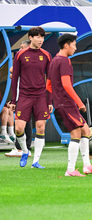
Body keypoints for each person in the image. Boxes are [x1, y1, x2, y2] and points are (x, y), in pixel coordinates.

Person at [47, 33, 92, 176]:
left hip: (62, 103)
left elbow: (49, 85)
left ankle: (87, 165)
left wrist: (54, 99)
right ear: (66, 45)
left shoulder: (53, 61)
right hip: (67, 103)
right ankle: (70, 170)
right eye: (74, 45)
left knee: (85, 130)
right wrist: (79, 102)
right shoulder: (64, 61)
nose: (75, 48)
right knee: (76, 133)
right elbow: (66, 85)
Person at [10, 27, 53, 169]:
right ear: (30, 38)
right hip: (24, 96)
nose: (40, 40)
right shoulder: (20, 55)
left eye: (42, 37)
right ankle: (25, 151)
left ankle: (35, 161)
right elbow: (14, 78)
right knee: (18, 129)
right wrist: (13, 100)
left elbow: (50, 79)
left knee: (40, 128)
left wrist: (50, 100)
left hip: (41, 96)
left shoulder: (46, 55)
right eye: (38, 37)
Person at [5, 40, 33, 157]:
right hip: (21, 96)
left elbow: (12, 70)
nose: (19, 50)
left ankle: (21, 149)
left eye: (22, 48)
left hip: (25, 96)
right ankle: (24, 148)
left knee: (23, 123)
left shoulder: (27, 60)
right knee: (26, 123)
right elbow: (13, 74)